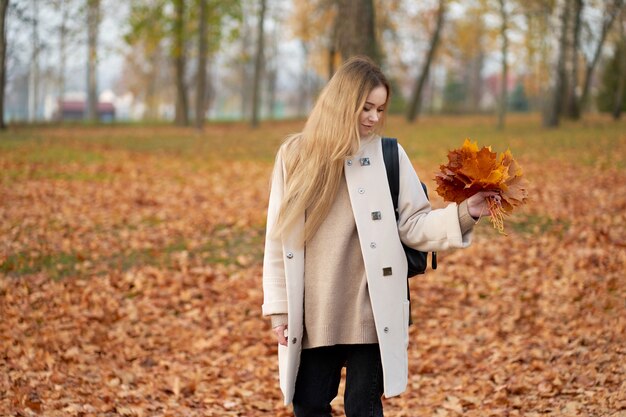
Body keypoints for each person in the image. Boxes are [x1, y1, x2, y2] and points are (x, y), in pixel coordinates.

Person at [261, 56, 499, 417]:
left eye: (380, 109)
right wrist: (279, 309)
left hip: (371, 309)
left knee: (363, 408)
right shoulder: (294, 156)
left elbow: (415, 224)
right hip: (314, 311)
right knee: (308, 404)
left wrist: (467, 213)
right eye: (366, 107)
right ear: (343, 103)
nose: (374, 117)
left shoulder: (389, 155)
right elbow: (278, 241)